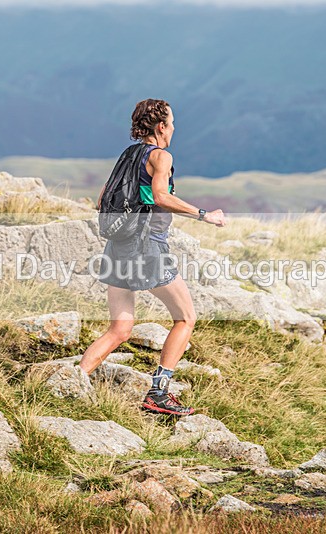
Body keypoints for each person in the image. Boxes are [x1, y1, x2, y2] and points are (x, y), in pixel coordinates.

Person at [78, 98, 226, 416]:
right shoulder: (161, 155)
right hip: (148, 248)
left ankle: (73, 383)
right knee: (185, 318)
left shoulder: (127, 155)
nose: (174, 128)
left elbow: (104, 199)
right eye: (171, 123)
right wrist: (204, 215)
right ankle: (158, 393)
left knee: (119, 330)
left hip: (118, 247)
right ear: (161, 126)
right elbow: (161, 195)